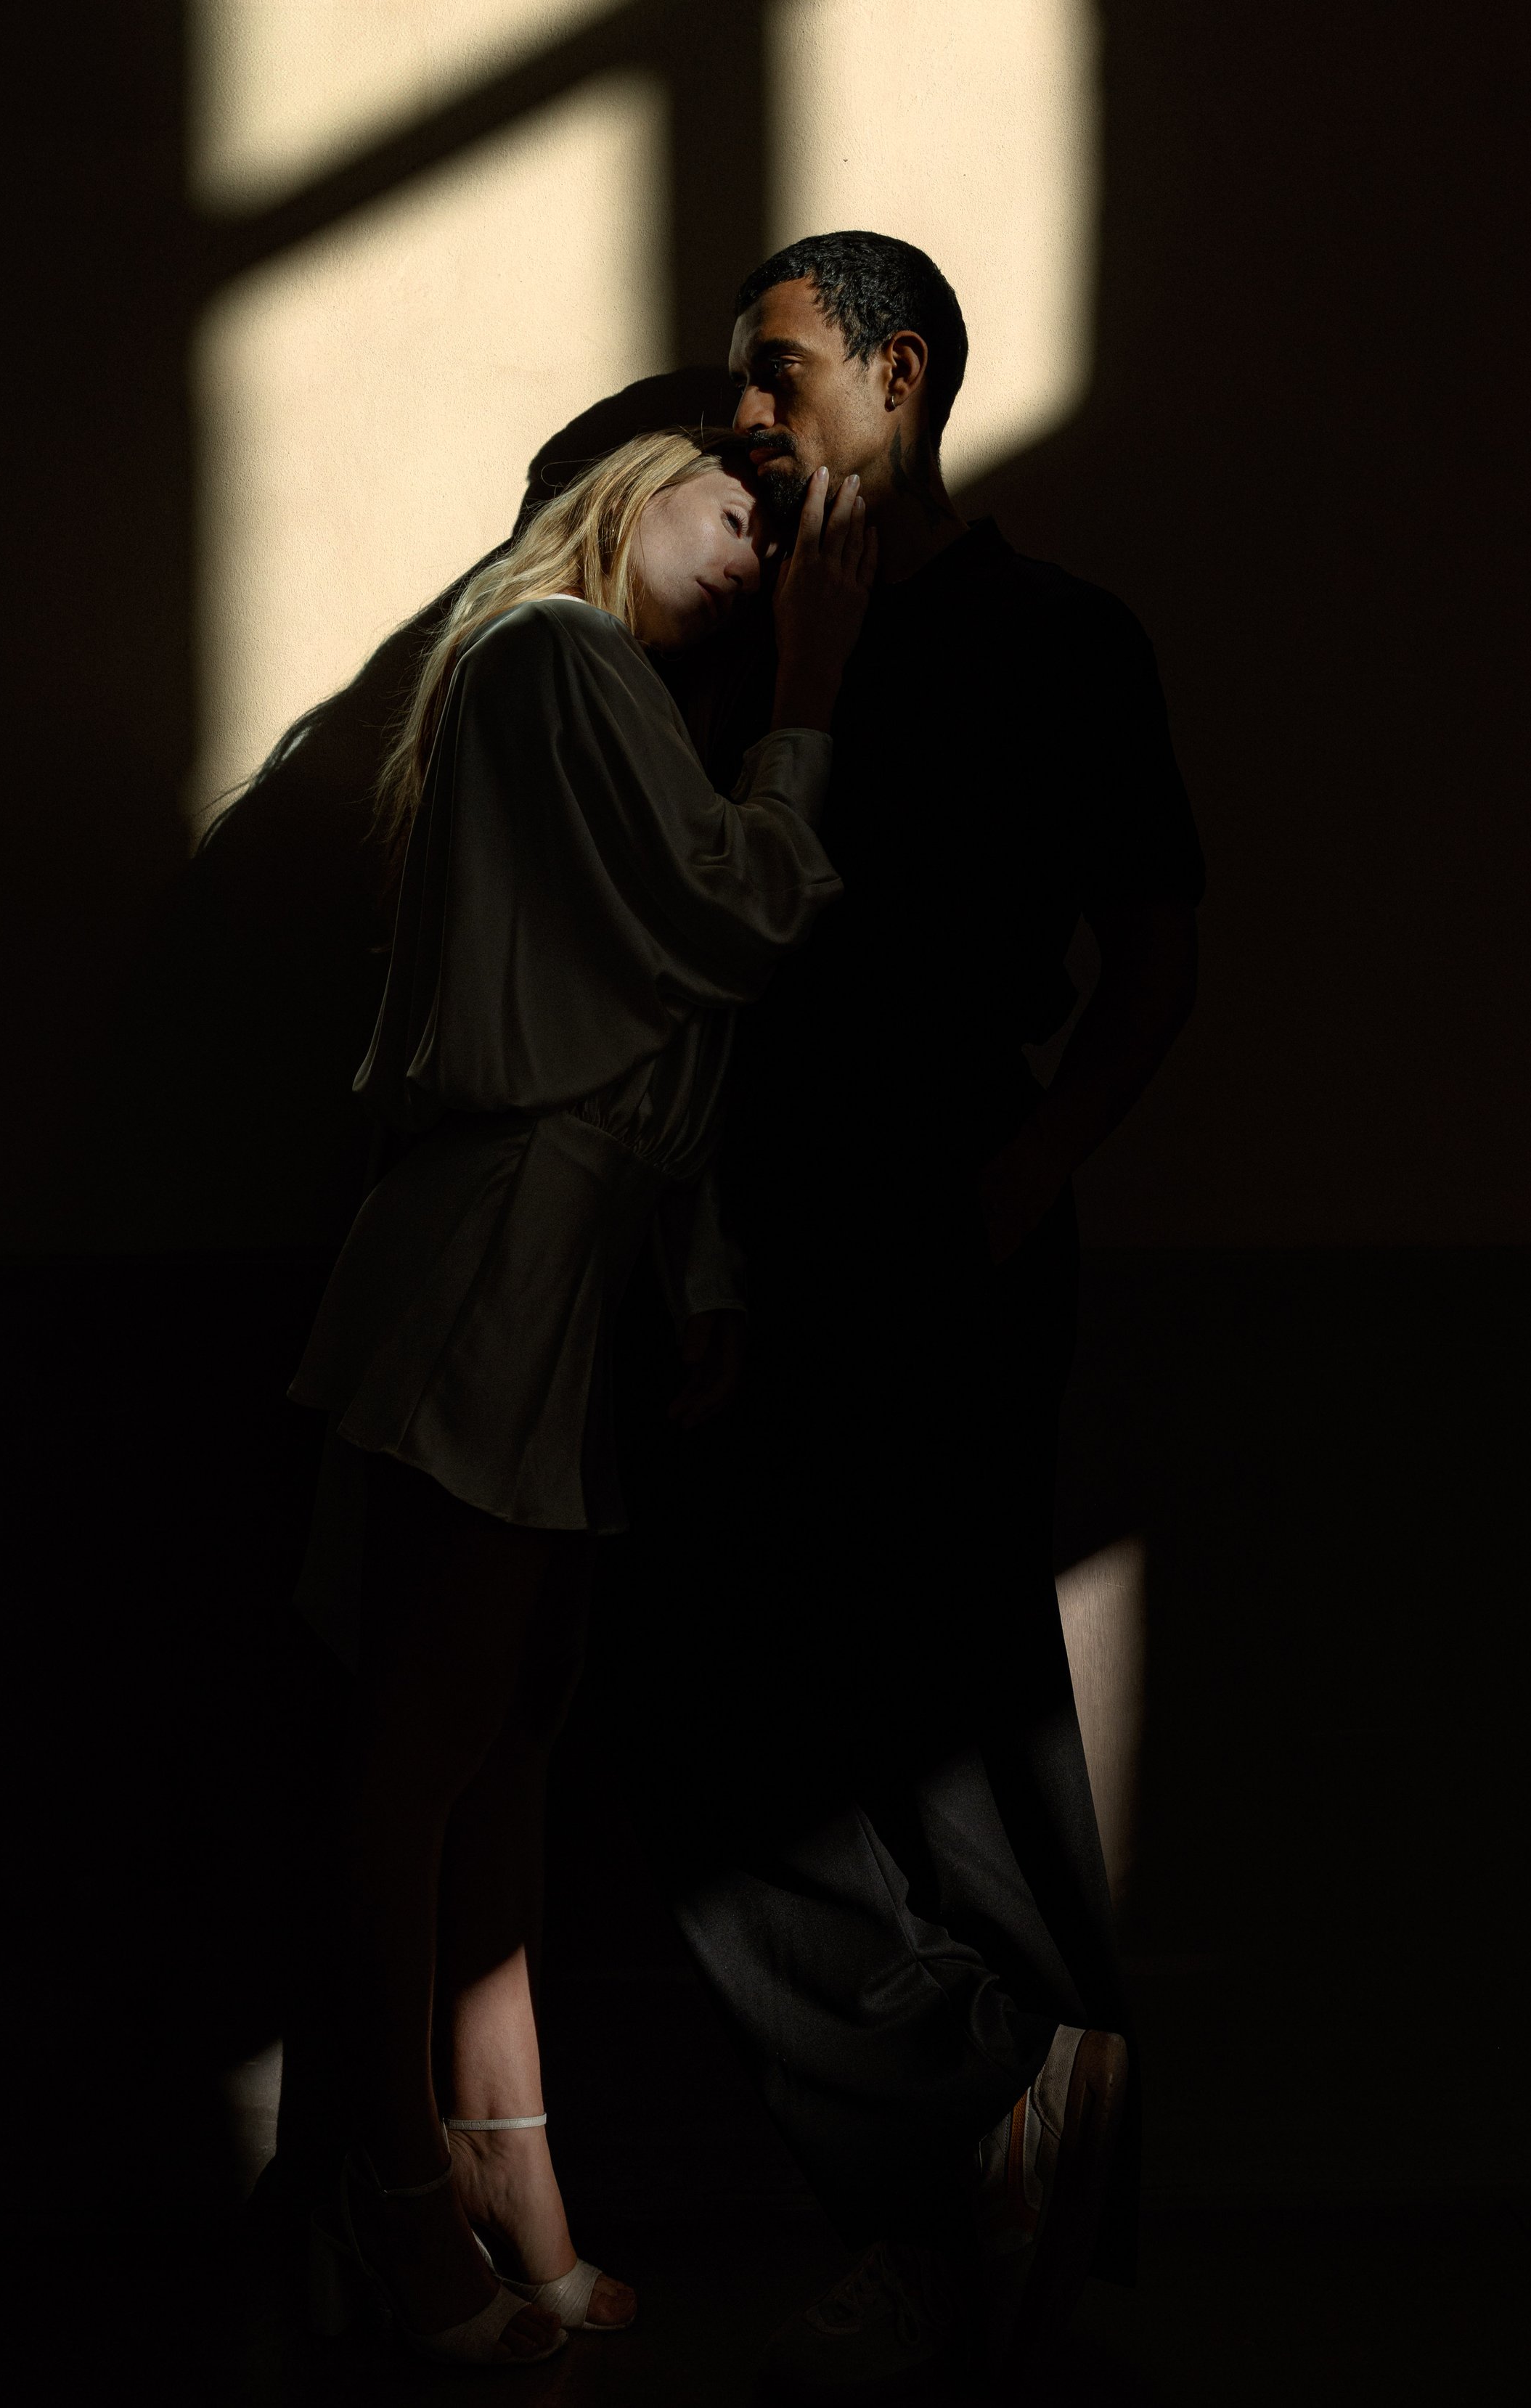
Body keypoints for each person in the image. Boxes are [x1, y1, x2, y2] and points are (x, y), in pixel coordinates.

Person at [600, 233, 1205, 2397]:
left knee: (954, 1712)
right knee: (716, 1709)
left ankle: (981, 2228)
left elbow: (1153, 945)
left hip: (948, 1210)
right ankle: (980, 2113)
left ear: (901, 373)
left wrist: (1030, 1168)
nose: (743, 413)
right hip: (754, 1224)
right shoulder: (753, 629)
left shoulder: (1057, 639)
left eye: (776, 375)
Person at [285, 427, 875, 2370]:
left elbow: (663, 1015)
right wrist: (803, 695)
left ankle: (506, 2189)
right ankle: (387, 2202)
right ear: (624, 493)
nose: (758, 551)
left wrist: (689, 1275)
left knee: (506, 1736)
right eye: (735, 507)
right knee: (430, 1739)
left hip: (557, 1262)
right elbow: (740, 909)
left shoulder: (598, 698)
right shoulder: (554, 660)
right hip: (492, 1254)